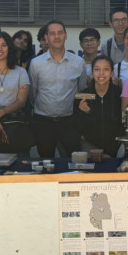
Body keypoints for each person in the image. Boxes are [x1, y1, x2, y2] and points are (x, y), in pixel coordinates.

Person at [29, 20, 87, 158]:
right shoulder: (36, 64)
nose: (57, 37)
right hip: (43, 122)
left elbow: (82, 91)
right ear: (46, 38)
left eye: (60, 33)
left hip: (69, 122)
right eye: (52, 34)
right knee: (46, 164)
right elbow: (32, 94)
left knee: (74, 164)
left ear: (66, 36)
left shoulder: (78, 62)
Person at [74, 55, 123, 156]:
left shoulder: (120, 95)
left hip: (116, 146)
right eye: (97, 69)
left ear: (112, 73)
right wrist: (87, 114)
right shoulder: (83, 96)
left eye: (106, 69)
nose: (101, 73)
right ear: (92, 73)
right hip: (90, 146)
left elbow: (122, 124)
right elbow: (78, 127)